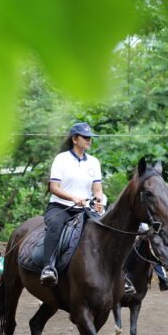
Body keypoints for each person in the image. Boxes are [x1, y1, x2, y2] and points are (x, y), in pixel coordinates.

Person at [40, 122, 105, 286]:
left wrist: (99, 201)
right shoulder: (61, 159)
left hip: (85, 210)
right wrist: (73, 198)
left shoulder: (94, 162)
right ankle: (48, 268)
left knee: (107, 230)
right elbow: (54, 188)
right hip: (60, 207)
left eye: (90, 138)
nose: (89, 140)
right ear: (75, 139)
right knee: (55, 225)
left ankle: (118, 274)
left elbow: (97, 190)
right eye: (85, 137)